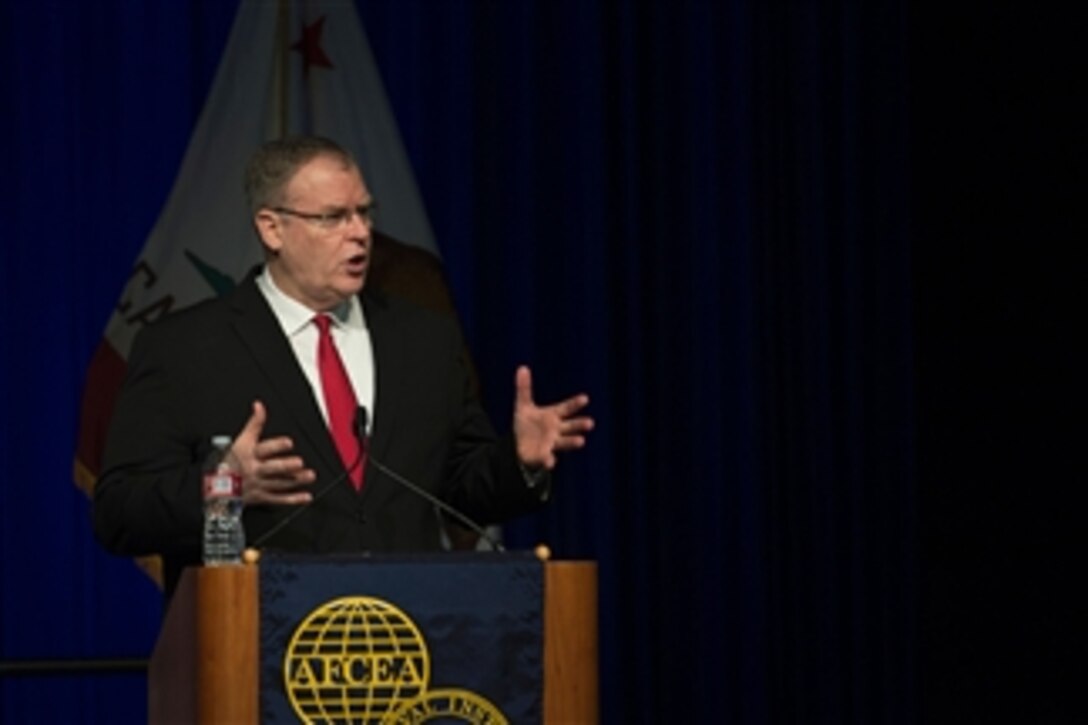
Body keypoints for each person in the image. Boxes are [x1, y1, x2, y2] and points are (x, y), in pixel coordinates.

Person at [93, 136, 593, 598]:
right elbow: (118, 513)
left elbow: (465, 489)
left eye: (364, 213)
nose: (360, 233)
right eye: (333, 218)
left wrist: (518, 463)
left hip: (409, 642)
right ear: (272, 228)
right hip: (259, 648)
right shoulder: (185, 347)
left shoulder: (423, 339)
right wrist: (222, 487)